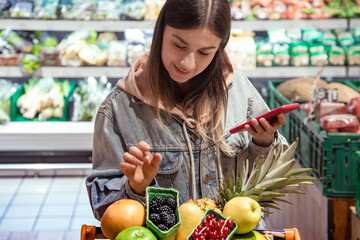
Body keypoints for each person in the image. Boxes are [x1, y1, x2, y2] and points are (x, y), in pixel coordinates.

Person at [86, 0, 288, 227]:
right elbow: (103, 206)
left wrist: (263, 141)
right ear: (160, 31)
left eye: (204, 52)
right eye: (179, 45)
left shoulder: (241, 91)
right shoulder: (119, 109)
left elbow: (271, 187)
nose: (188, 63)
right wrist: (135, 188)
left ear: (220, 48)